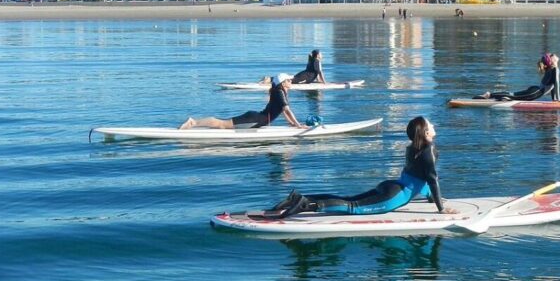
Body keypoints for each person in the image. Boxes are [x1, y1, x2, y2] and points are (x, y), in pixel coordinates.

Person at [269, 116, 458, 218]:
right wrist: (441, 209)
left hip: (391, 186)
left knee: (348, 199)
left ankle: (298, 198)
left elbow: (421, 179)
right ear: (426, 132)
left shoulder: (412, 148)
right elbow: (431, 179)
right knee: (353, 207)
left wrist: (432, 199)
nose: (434, 125)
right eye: (430, 124)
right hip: (394, 196)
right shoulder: (429, 149)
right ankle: (306, 204)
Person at [179, 73, 307, 129]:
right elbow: (287, 110)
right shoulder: (279, 92)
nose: (291, 81)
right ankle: (193, 122)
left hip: (257, 118)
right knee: (222, 125)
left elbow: (283, 112)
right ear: (283, 83)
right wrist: (298, 125)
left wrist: (292, 123)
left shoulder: (279, 92)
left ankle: (195, 122)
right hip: (256, 120)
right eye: (289, 80)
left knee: (223, 123)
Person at [475, 53, 560, 102]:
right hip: (536, 92)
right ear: (551, 61)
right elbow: (556, 83)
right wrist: (558, 99)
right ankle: (489, 95)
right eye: (552, 55)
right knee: (513, 95)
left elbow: (553, 85)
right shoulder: (555, 69)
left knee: (513, 95)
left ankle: (500, 97)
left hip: (536, 90)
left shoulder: (552, 69)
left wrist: (554, 99)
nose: (554, 54)